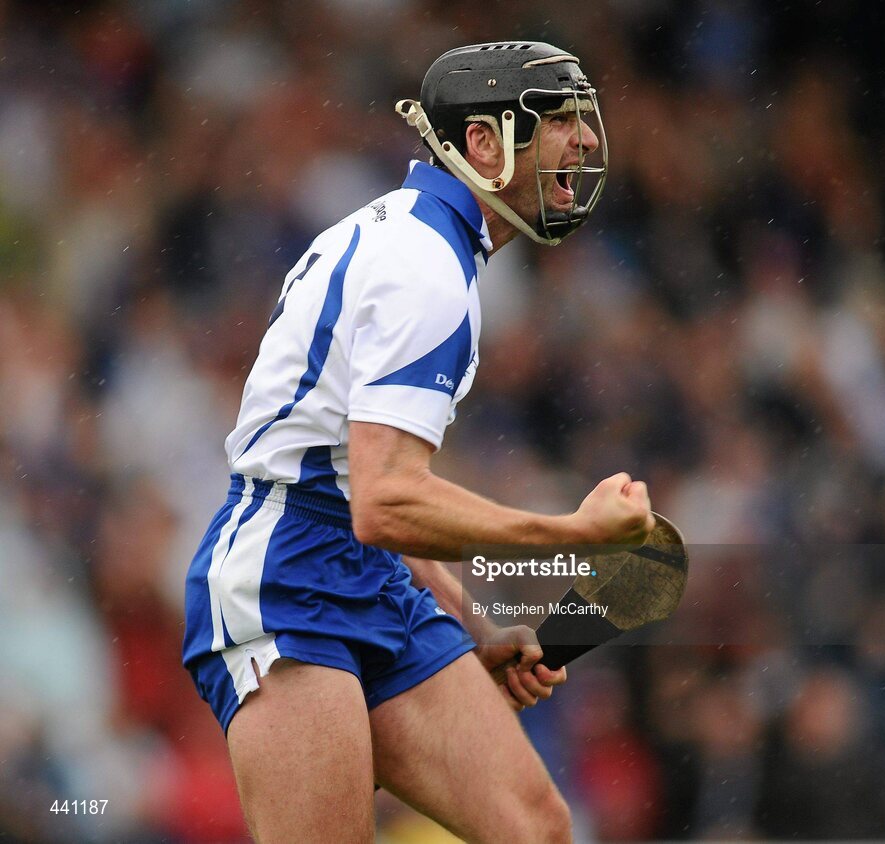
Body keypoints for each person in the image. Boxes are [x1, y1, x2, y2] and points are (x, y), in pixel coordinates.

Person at [182, 41, 654, 843]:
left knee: (535, 828)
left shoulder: (425, 244)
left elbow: (366, 490)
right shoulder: (424, 266)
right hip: (287, 579)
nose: (584, 143)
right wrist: (570, 536)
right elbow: (384, 500)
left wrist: (476, 625)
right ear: (482, 144)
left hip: (364, 572)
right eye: (559, 123)